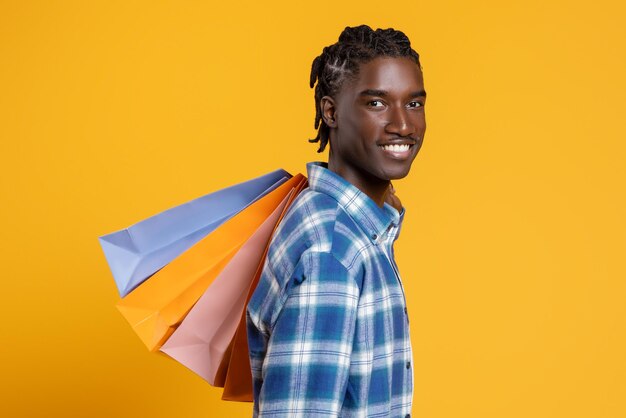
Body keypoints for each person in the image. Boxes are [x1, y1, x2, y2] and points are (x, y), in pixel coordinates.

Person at [246, 24, 426, 417]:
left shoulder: (355, 226)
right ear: (331, 112)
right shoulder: (333, 250)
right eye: (377, 103)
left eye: (414, 103)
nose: (403, 125)